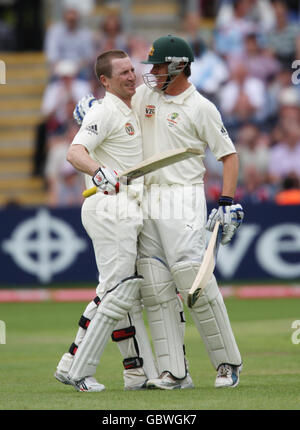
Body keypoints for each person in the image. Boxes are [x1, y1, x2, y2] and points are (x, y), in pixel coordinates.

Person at [75, 35, 244, 389]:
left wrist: (227, 202)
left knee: (191, 280)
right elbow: (115, 108)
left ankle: (227, 364)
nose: (149, 73)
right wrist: (90, 105)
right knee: (154, 286)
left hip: (182, 196)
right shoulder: (147, 96)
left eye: (159, 66)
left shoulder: (201, 107)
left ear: (180, 66)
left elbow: (228, 155)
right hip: (145, 197)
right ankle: (175, 372)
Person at [55, 49, 192, 392]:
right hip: (109, 206)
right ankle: (76, 367)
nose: (132, 76)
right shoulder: (104, 111)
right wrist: (98, 171)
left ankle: (134, 372)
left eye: (133, 70)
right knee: (116, 292)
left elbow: (163, 85)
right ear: (105, 81)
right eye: (123, 73)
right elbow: (75, 152)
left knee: (130, 293)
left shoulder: (133, 101)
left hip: (133, 208)